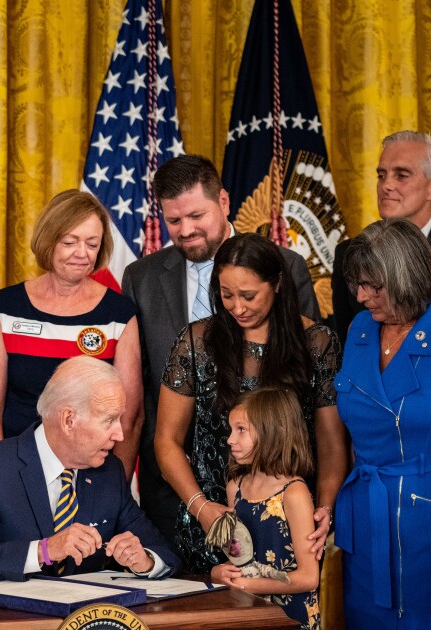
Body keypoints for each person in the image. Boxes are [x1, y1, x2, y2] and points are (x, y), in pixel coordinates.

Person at [120, 154, 320, 543]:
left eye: (196, 215)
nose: (186, 230)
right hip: (171, 493)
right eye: (173, 220)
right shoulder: (140, 278)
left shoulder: (287, 267)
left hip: (275, 490)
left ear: (224, 202)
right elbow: (137, 389)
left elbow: (308, 380)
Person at [334, 218, 431, 626]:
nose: (361, 296)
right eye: (358, 284)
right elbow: (355, 431)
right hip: (367, 525)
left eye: (373, 286)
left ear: (404, 278)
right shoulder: (359, 329)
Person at [154, 233, 346, 573]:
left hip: (291, 526)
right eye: (226, 295)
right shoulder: (196, 342)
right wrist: (200, 507)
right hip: (214, 525)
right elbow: (167, 440)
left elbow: (331, 444)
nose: (238, 308)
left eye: (249, 296)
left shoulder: (316, 344)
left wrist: (325, 509)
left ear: (277, 284)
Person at [0, 356, 181, 585]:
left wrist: (144, 560)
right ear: (69, 420)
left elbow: (166, 555)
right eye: (109, 420)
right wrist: (43, 551)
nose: (120, 435)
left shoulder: (109, 472)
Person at [0, 190, 142, 478]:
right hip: (16, 471)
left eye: (92, 244)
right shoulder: (5, 307)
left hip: (94, 475)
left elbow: (129, 417)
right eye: (69, 242)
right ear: (48, 240)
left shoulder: (119, 313)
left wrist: (115, 487)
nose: (82, 253)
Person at [211, 387, 321, 630]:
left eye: (241, 430)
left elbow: (309, 577)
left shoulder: (294, 493)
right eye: (231, 430)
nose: (230, 439)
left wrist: (249, 585)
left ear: (272, 432)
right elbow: (239, 559)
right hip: (249, 615)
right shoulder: (235, 488)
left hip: (292, 618)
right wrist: (219, 573)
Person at [331, 130, 431, 340]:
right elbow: (344, 342)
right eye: (381, 175)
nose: (386, 185)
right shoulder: (347, 253)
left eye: (401, 175)